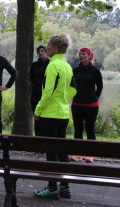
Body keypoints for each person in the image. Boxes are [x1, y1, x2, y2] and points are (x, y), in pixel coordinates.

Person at [33, 34, 77, 199]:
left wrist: (38, 110)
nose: (47, 47)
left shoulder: (52, 66)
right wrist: (62, 100)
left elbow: (47, 91)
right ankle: (64, 187)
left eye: (49, 45)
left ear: (56, 47)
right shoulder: (67, 66)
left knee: (51, 152)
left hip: (49, 115)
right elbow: (73, 89)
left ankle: (52, 188)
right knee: (62, 151)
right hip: (63, 113)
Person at [70, 47, 103, 163]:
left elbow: (100, 87)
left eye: (84, 54)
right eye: (80, 54)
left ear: (89, 56)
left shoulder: (95, 71)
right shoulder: (75, 70)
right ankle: (77, 154)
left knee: (90, 129)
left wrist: (93, 98)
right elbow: (71, 86)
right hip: (76, 104)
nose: (81, 56)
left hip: (91, 105)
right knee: (78, 130)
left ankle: (90, 155)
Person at [30, 45, 50, 136]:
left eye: (42, 51)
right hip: (35, 95)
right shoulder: (34, 65)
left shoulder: (51, 64)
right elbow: (31, 78)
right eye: (38, 52)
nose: (40, 53)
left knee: (46, 119)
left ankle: (45, 140)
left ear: (46, 53)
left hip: (47, 96)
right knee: (36, 119)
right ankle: (37, 140)